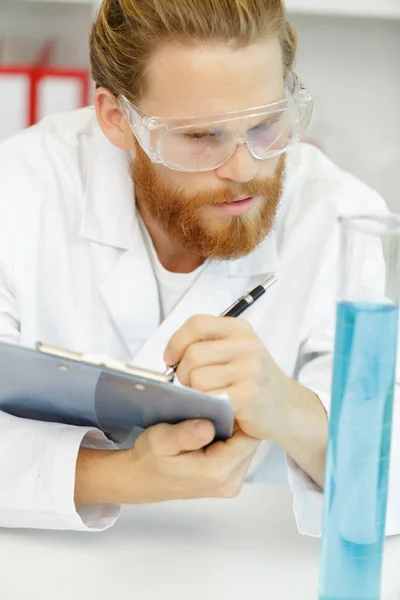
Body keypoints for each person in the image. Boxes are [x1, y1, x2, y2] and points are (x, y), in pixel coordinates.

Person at [0, 0, 398, 534]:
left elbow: (388, 478)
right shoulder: (20, 190)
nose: (243, 168)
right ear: (118, 120)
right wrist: (122, 476)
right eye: (199, 136)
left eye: (265, 125)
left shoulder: (338, 219)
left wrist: (295, 411)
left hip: (244, 558)